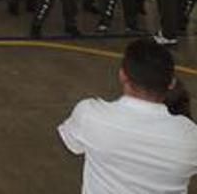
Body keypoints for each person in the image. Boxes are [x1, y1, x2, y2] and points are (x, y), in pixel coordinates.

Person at [58, 39, 197, 192]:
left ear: (122, 75)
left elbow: (73, 144)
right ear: (171, 83)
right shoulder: (191, 136)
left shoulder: (90, 114)